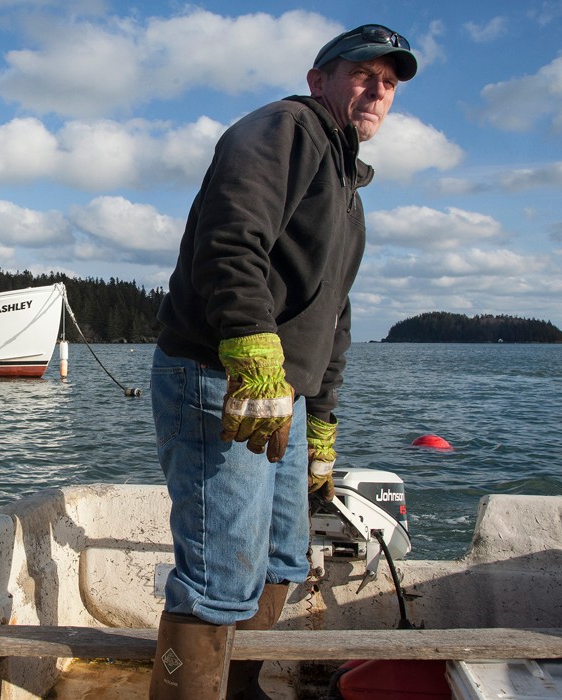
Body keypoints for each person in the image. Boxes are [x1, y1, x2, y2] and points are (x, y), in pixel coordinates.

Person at [148, 24, 418, 699]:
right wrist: (251, 348)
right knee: (218, 578)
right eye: (363, 73)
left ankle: (238, 690)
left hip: (285, 400)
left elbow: (334, 315)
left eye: (389, 82)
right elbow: (231, 236)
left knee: (281, 558)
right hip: (220, 378)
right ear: (318, 78)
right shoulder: (285, 129)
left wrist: (321, 419)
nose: (377, 89)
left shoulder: (346, 188)